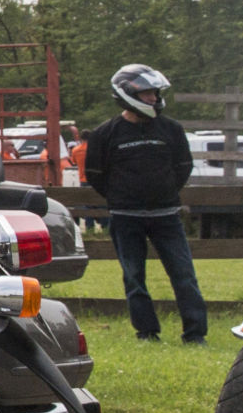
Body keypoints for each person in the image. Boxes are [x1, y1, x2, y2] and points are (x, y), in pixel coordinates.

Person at [83, 64, 205, 343]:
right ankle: (147, 332)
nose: (153, 99)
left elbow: (183, 166)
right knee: (134, 277)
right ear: (127, 95)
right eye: (148, 94)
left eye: (155, 93)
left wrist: (163, 193)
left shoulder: (171, 129)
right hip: (126, 217)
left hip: (167, 216)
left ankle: (196, 333)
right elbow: (95, 175)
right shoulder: (105, 134)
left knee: (184, 275)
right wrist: (122, 198)